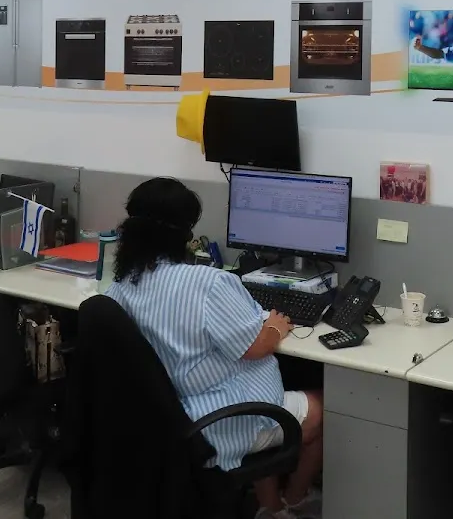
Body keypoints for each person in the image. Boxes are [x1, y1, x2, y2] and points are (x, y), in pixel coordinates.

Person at [106, 177, 322, 519]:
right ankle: (293, 501)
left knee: (265, 397)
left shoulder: (119, 287)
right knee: (324, 407)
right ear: (184, 233)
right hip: (213, 423)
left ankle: (269, 506)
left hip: (163, 420)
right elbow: (255, 346)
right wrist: (275, 327)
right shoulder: (209, 283)